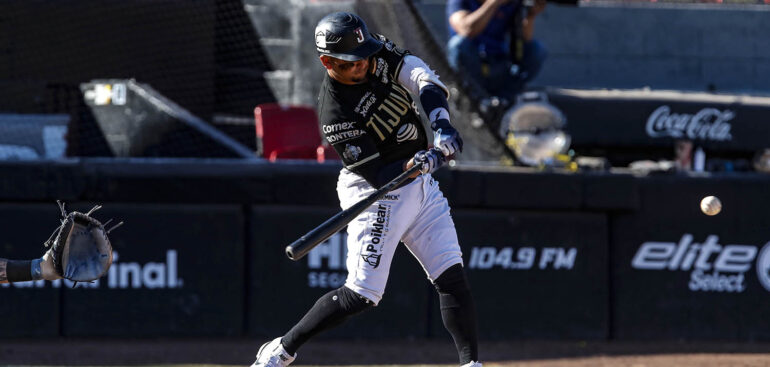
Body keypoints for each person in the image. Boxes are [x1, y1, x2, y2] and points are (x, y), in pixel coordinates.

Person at [250, 11, 480, 367]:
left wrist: (441, 124)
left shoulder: (371, 53)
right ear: (328, 62)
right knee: (362, 294)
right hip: (377, 192)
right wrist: (420, 162)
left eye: (366, 55)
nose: (365, 64)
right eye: (352, 63)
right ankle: (282, 349)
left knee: (451, 276)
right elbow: (379, 172)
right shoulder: (334, 112)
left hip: (420, 184)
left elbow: (420, 75)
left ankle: (471, 364)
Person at [446, 0, 548, 101]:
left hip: (499, 64)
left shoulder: (510, 4)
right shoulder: (459, 2)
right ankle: (474, 98)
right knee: (458, 44)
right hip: (472, 67)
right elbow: (467, 29)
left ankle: (506, 99)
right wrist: (493, 3)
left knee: (536, 50)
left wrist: (530, 15)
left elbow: (525, 40)